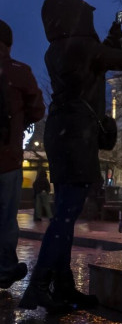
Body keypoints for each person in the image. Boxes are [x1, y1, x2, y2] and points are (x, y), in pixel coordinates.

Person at [20, 0, 122, 313]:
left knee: (65, 213)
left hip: (62, 134)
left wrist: (112, 37)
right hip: (77, 136)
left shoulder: (57, 49)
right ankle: (39, 287)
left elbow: (96, 61)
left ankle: (61, 285)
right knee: (65, 216)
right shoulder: (83, 48)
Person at [0, 19, 45, 290]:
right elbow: (38, 110)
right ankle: (4, 267)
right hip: (7, 159)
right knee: (6, 218)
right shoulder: (19, 71)